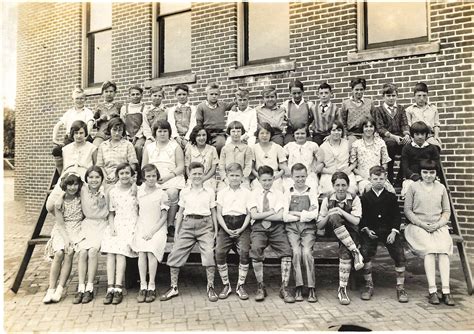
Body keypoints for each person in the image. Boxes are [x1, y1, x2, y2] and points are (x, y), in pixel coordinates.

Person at [160, 162, 219, 302]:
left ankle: (210, 286)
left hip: (205, 225)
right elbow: (180, 212)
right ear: (190, 175)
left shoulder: (209, 191)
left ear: (204, 174)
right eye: (194, 174)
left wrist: (215, 229)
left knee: (209, 253)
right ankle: (173, 287)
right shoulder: (185, 191)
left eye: (200, 173)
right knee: (175, 252)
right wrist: (177, 231)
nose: (197, 176)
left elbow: (213, 212)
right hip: (187, 225)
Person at [404, 159, 454, 306]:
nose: (428, 175)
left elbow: (446, 211)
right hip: (417, 227)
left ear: (436, 173)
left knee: (444, 250)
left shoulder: (441, 188)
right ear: (420, 173)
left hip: (438, 226)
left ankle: (446, 291)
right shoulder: (413, 187)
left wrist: (438, 224)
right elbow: (408, 210)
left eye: (431, 172)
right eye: (425, 172)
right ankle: (432, 291)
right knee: (430, 250)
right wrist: (422, 224)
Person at [359, 166, 408, 303]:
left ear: (386, 179)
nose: (379, 181)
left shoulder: (391, 197)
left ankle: (400, 287)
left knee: (398, 252)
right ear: (370, 180)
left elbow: (396, 217)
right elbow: (362, 217)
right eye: (375, 179)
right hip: (372, 231)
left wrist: (393, 231)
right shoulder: (365, 197)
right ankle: (368, 285)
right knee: (365, 251)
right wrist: (366, 229)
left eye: (381, 178)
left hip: (388, 231)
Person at [248, 165, 295, 303]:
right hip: (258, 227)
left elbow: (280, 216)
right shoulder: (254, 194)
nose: (267, 183)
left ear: (273, 179)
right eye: (264, 180)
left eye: (269, 180)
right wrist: (271, 212)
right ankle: (260, 286)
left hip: (276, 227)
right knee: (256, 249)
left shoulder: (279, 194)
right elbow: (253, 215)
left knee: (286, 251)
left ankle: (284, 288)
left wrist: (261, 215)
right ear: (259, 180)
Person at [316, 172, 364, 305]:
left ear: (348, 185)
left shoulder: (354, 198)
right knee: (334, 217)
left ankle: (342, 289)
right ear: (333, 186)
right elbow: (319, 224)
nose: (341, 188)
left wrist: (340, 211)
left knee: (345, 251)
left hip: (350, 231)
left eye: (343, 185)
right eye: (337, 185)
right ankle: (356, 251)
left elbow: (355, 222)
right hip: (332, 231)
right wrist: (330, 214)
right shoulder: (327, 199)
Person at [43, 173, 84, 304]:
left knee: (69, 253)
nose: (72, 187)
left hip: (76, 228)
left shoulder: (81, 198)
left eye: (75, 184)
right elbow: (60, 224)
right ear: (64, 186)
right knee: (59, 253)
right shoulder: (59, 203)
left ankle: (60, 288)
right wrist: (66, 240)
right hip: (62, 229)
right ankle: (51, 288)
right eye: (69, 185)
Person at [101, 163, 138, 305]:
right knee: (111, 252)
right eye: (121, 173)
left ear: (132, 175)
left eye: (127, 173)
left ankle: (118, 287)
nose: (124, 176)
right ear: (117, 176)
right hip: (117, 223)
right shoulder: (113, 192)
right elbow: (111, 213)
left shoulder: (136, 190)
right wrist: (112, 227)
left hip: (132, 224)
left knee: (121, 252)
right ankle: (110, 287)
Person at [131, 164, 169, 303]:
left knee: (151, 251)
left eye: (154, 176)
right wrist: (141, 229)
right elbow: (136, 211)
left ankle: (152, 285)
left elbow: (164, 217)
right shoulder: (139, 192)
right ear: (144, 178)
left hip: (157, 228)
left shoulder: (162, 193)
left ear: (157, 177)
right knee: (142, 251)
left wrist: (152, 232)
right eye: (148, 176)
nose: (151, 179)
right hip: (142, 226)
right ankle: (143, 285)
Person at [215, 163, 252, 300]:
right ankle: (226, 284)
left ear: (242, 177)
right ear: (227, 176)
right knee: (219, 251)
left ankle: (240, 285)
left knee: (244, 251)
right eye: (232, 175)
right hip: (225, 224)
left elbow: (249, 214)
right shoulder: (222, 192)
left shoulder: (247, 193)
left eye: (237, 175)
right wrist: (226, 229)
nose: (235, 178)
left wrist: (241, 229)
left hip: (242, 224)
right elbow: (219, 214)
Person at [283, 163, 319, 303]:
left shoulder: (311, 191)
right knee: (296, 252)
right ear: (292, 177)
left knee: (307, 253)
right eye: (297, 177)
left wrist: (296, 213)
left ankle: (311, 288)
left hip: (308, 229)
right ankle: (298, 286)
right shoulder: (288, 192)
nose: (300, 180)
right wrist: (305, 214)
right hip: (292, 228)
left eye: (303, 176)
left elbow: (314, 214)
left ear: (306, 176)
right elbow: (285, 216)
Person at [142, 120, 185, 235]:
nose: (162, 134)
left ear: (169, 132)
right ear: (155, 133)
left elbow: (181, 166)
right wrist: (152, 179)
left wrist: (167, 177)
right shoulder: (149, 147)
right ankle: (153, 224)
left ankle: (170, 224)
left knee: (172, 193)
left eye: (165, 131)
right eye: (159, 131)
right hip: (153, 178)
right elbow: (144, 167)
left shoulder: (175, 146)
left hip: (171, 177)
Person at [74, 166, 108, 304]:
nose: (94, 180)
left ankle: (90, 287)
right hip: (87, 224)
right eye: (91, 177)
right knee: (82, 252)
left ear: (101, 179)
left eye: (97, 177)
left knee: (93, 251)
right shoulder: (82, 190)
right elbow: (65, 186)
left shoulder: (106, 191)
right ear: (86, 179)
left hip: (101, 224)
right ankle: (81, 287)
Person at [46, 120, 97, 213]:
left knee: (84, 208)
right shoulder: (66, 149)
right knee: (50, 205)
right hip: (67, 177)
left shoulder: (92, 148)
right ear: (72, 134)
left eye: (81, 133)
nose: (78, 136)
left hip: (83, 177)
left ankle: (75, 222)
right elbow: (63, 168)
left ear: (85, 133)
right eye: (76, 133)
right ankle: (68, 221)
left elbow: (96, 167)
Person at [373, 83, 411, 184]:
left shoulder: (401, 109)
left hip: (400, 136)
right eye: (388, 96)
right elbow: (380, 128)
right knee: (390, 145)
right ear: (383, 96)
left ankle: (401, 176)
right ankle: (389, 175)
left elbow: (404, 123)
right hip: (387, 137)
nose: (391, 98)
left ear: (397, 96)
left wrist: (406, 135)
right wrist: (393, 137)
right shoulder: (379, 110)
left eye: (393, 95)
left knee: (408, 145)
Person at [51, 88, 94, 174]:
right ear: (73, 99)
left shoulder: (88, 112)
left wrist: (85, 136)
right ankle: (62, 175)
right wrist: (54, 139)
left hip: (83, 137)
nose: (79, 101)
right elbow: (58, 125)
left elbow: (90, 124)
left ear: (85, 99)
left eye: (81, 98)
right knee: (57, 151)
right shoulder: (69, 113)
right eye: (77, 98)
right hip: (70, 138)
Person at [349, 117, 393, 195]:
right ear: (362, 128)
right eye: (366, 126)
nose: (369, 129)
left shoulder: (380, 143)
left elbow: (385, 163)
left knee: (391, 192)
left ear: (374, 128)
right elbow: (353, 166)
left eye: (371, 126)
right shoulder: (356, 144)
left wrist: (379, 175)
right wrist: (364, 175)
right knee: (369, 190)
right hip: (363, 176)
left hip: (378, 175)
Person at [96, 117, 138, 192]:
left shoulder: (128, 145)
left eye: (120, 130)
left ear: (123, 131)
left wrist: (118, 176)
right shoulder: (103, 145)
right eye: (114, 130)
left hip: (123, 176)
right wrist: (106, 177)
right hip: (107, 178)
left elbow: (133, 165)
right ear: (109, 130)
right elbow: (100, 165)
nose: (117, 133)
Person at [400, 121, 441, 198]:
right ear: (412, 135)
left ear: (426, 135)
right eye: (417, 134)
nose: (420, 137)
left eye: (422, 134)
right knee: (410, 192)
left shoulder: (432, 148)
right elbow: (405, 166)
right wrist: (413, 176)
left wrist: (426, 177)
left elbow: (437, 166)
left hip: (428, 177)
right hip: (412, 178)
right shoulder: (406, 148)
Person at [318, 121, 357, 196]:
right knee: (331, 191)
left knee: (351, 190)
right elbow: (318, 168)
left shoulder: (347, 144)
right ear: (329, 132)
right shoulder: (323, 147)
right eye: (333, 130)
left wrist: (348, 169)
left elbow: (354, 161)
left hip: (346, 173)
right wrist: (330, 171)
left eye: (339, 130)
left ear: (342, 132)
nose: (336, 132)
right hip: (329, 174)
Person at [195, 82, 234, 154]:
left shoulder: (222, 105)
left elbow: (232, 104)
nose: (214, 96)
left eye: (216, 94)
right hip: (206, 132)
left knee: (220, 145)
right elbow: (199, 122)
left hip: (219, 133)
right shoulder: (201, 107)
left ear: (219, 95)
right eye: (211, 94)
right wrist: (201, 134)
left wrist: (236, 103)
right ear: (206, 94)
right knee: (205, 150)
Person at [283, 122, 322, 192]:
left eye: (302, 133)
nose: (300, 136)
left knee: (312, 187)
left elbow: (320, 157)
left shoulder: (312, 145)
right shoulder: (289, 146)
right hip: (292, 175)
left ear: (307, 134)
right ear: (293, 135)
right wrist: (286, 168)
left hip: (308, 174)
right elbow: (282, 159)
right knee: (288, 188)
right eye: (297, 134)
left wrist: (320, 165)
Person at [251, 123, 289, 192]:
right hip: (260, 176)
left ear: (271, 134)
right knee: (257, 189)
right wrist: (258, 176)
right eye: (262, 133)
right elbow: (252, 167)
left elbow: (284, 167)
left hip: (274, 176)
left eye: (267, 133)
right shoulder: (253, 148)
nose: (264, 135)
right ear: (257, 135)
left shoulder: (277, 147)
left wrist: (275, 177)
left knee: (277, 188)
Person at [405, 82, 442, 150]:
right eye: (419, 95)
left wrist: (436, 136)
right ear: (414, 96)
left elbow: (436, 124)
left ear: (427, 95)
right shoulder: (409, 110)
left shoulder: (433, 108)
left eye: (424, 95)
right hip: (415, 137)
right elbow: (408, 125)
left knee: (435, 147)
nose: (421, 98)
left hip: (429, 136)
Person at [340, 78, 375, 147]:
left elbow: (374, 120)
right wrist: (345, 135)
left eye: (361, 89)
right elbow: (343, 122)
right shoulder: (346, 103)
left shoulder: (370, 102)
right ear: (352, 90)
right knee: (350, 147)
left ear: (364, 90)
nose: (359, 92)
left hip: (367, 133)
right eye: (356, 89)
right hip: (352, 134)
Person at [219, 121, 253, 190]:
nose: (236, 134)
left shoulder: (247, 148)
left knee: (244, 190)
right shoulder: (225, 149)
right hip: (228, 179)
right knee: (222, 190)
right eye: (233, 131)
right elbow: (221, 166)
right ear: (229, 133)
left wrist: (242, 178)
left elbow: (248, 165)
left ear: (242, 132)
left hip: (242, 179)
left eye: (238, 131)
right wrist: (225, 179)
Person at [184, 125, 219, 192]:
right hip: (193, 178)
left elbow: (213, 169)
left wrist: (204, 179)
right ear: (194, 137)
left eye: (204, 135)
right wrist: (192, 178)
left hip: (208, 179)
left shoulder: (212, 149)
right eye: (198, 135)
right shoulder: (190, 149)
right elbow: (187, 167)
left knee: (208, 191)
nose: (201, 138)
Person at [281, 80, 314, 145]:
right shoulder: (286, 104)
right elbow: (278, 113)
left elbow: (314, 118)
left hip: (305, 134)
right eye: (294, 93)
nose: (297, 95)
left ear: (303, 91)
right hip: (291, 134)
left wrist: (307, 126)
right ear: (290, 93)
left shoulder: (309, 104)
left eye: (299, 93)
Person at [120, 85, 146, 164]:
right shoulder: (125, 108)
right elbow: (123, 122)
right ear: (129, 96)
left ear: (141, 95)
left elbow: (144, 124)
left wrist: (137, 136)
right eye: (133, 94)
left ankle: (138, 170)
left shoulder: (145, 108)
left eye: (137, 94)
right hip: (127, 134)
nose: (135, 96)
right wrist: (127, 135)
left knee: (138, 147)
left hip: (140, 135)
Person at [92, 81, 122, 150]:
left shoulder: (119, 106)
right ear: (102, 93)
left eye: (111, 91)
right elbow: (93, 125)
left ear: (115, 93)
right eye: (106, 91)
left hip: (115, 133)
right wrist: (100, 119)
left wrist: (117, 117)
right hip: (102, 134)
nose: (109, 94)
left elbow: (124, 121)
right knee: (95, 147)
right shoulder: (98, 107)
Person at [167, 84, 197, 150]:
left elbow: (193, 124)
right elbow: (171, 125)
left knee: (190, 150)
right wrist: (176, 137)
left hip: (189, 137)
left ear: (188, 95)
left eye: (184, 94)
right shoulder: (172, 110)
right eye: (179, 95)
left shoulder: (193, 109)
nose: (182, 97)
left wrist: (187, 138)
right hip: (176, 138)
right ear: (175, 95)